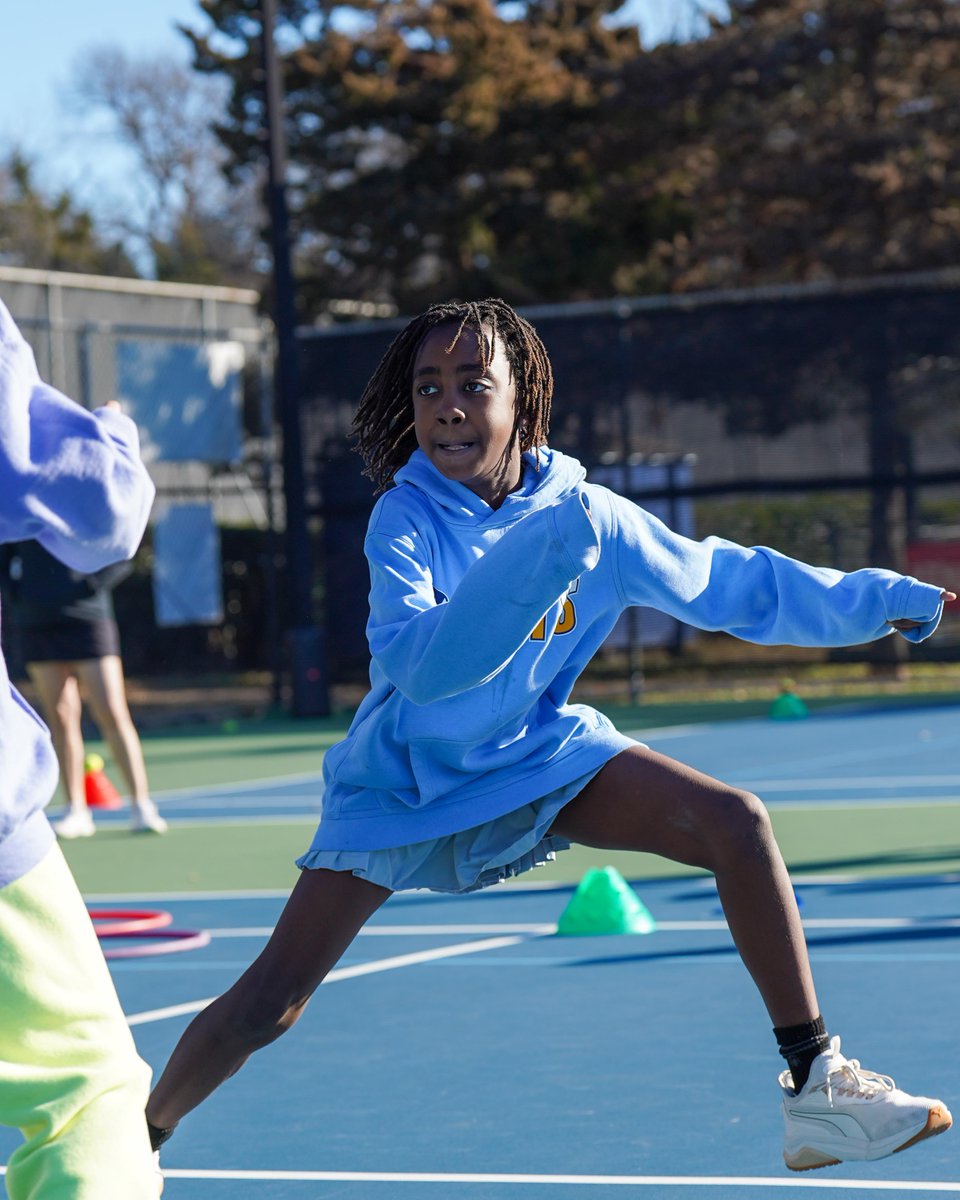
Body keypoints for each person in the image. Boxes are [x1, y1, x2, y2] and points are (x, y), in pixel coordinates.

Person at [146, 298, 956, 1174]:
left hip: (536, 756)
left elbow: (732, 584)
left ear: (522, 403)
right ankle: (137, 1134)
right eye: (428, 387)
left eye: (472, 383)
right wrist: (548, 553)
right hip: (405, 780)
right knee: (270, 1001)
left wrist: (880, 600)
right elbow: (422, 670)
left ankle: (818, 1089)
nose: (447, 405)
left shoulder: (591, 519)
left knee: (737, 823)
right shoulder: (405, 520)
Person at [0, 297, 160, 1197]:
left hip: (82, 627)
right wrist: (113, 434)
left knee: (105, 711)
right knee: (86, 1100)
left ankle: (138, 799)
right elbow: (100, 504)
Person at [0, 539, 166, 839]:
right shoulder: (19, 506)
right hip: (37, 621)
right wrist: (18, 595)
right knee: (61, 717)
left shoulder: (81, 500)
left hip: (88, 616)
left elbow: (122, 547)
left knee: (112, 711)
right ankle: (76, 809)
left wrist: (89, 585)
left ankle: (142, 805)